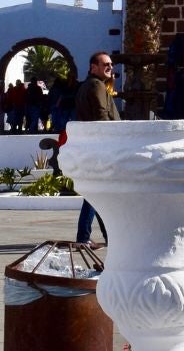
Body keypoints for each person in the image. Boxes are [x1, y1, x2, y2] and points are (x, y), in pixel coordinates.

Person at [73, 50, 118, 246]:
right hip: (102, 147)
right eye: (105, 64)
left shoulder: (90, 85)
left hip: (92, 146)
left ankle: (107, 236)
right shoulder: (96, 85)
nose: (110, 67)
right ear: (93, 67)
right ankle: (84, 237)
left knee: (99, 194)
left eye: (110, 64)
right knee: (96, 195)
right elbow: (101, 116)